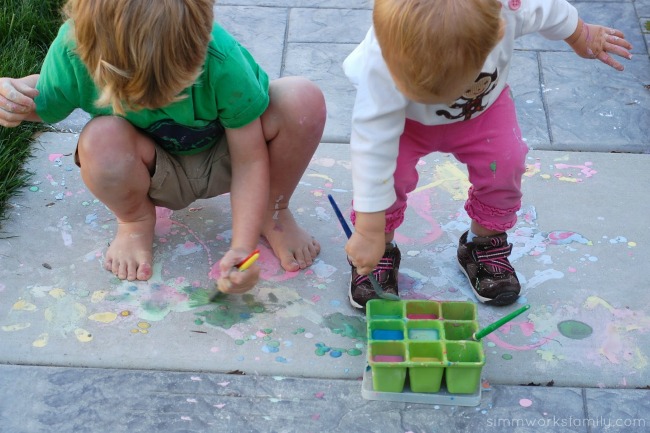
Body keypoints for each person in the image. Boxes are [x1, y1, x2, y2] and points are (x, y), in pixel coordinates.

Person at [0, 0, 326, 294]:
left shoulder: (220, 57)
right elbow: (46, 101)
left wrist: (243, 248)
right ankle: (135, 221)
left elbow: (250, 160)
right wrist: (11, 96)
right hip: (154, 169)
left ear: (200, 42)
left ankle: (274, 211)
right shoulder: (76, 50)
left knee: (301, 101)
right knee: (100, 139)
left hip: (225, 158)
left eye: (175, 87)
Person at [342, 0, 632, 309]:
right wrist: (369, 228)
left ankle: (482, 244)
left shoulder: (509, 8)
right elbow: (371, 149)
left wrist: (579, 33)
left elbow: (549, 9)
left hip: (482, 112)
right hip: (402, 121)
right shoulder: (381, 59)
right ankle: (380, 249)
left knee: (505, 163)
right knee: (391, 175)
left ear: (499, 33)